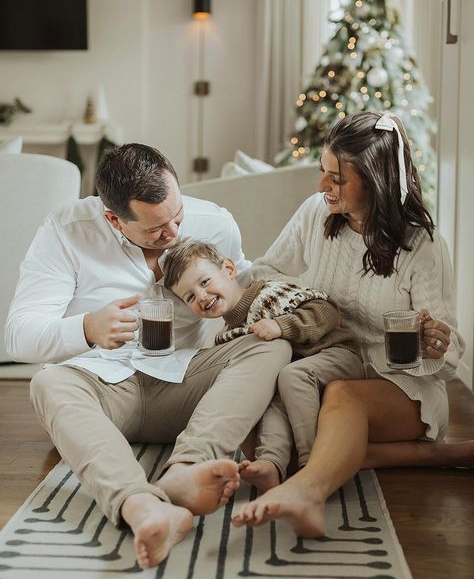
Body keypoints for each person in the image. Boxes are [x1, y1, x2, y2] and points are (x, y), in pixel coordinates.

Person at [4, 143, 293, 568]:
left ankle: (186, 470)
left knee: (272, 345)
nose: (173, 234)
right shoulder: (67, 230)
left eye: (177, 217)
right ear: (113, 219)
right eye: (156, 229)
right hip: (103, 390)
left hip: (184, 383)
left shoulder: (214, 221)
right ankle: (143, 506)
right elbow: (17, 335)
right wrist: (86, 328)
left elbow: (242, 287)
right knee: (48, 382)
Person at [231, 111, 472, 537]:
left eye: (336, 179)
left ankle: (307, 490)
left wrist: (434, 345)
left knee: (336, 401)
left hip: (398, 384)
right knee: (270, 424)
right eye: (323, 173)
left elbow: (449, 356)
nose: (323, 186)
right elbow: (269, 269)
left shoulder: (422, 245)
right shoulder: (315, 212)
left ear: (376, 179)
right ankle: (434, 455)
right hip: (328, 362)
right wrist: (221, 281)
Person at [162, 237, 364, 491]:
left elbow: (326, 311)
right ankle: (271, 464)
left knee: (293, 376)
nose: (201, 296)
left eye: (205, 282)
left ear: (229, 270)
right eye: (190, 297)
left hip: (335, 354)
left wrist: (282, 325)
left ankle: (312, 465)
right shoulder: (226, 336)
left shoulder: (268, 294)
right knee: (270, 400)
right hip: (291, 379)